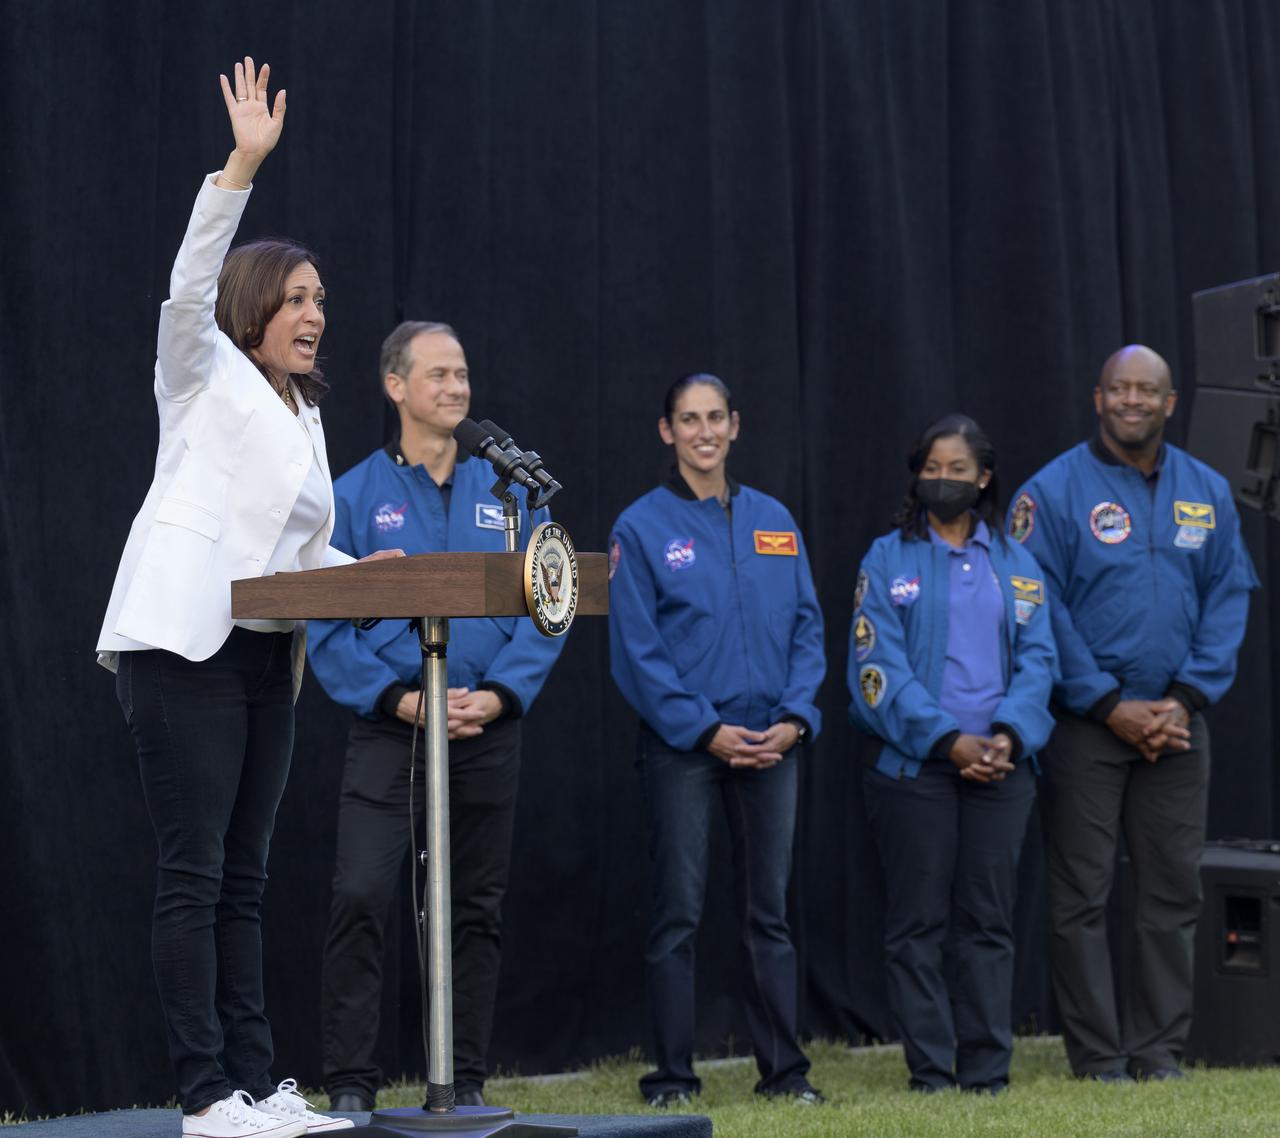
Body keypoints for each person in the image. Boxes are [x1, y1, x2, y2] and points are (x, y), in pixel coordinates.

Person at [96, 58, 382, 1137]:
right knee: (194, 870)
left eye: (321, 300)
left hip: (269, 653)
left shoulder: (305, 417)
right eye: (298, 298)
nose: (316, 314)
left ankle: (260, 1088)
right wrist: (241, 166)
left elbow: (316, 556)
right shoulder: (200, 370)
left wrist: (396, 584)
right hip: (185, 647)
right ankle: (205, 1094)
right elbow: (185, 285)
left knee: (247, 880)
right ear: (256, 307)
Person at [306, 321, 567, 1112]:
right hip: (394, 730)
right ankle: (352, 1088)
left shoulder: (513, 489)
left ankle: (465, 1083)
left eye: (462, 375)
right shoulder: (351, 495)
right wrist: (402, 697)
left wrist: (501, 693)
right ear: (396, 387)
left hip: (487, 728)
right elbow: (325, 620)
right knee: (360, 894)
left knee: (475, 909)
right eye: (439, 375)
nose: (456, 389)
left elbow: (551, 596)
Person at [1010, 344, 1258, 1081]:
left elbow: (1227, 597)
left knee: (1172, 892)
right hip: (1088, 726)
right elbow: (1037, 606)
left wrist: (1181, 700)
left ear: (1170, 402)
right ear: (1098, 398)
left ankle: (1157, 1051)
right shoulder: (1051, 492)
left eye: (1146, 391)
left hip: (1179, 728)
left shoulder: (1206, 490)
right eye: (1119, 389)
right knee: (1081, 894)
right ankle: (1097, 1057)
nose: (1132, 402)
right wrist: (1107, 701)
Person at [607, 374, 826, 1108]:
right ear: (666, 432)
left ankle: (785, 1075)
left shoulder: (776, 520)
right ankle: (672, 1077)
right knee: (678, 913)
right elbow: (636, 652)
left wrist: (795, 718)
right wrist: (705, 730)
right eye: (687, 419)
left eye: (715, 418)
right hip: (685, 749)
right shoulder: (639, 529)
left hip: (773, 743)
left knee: (770, 914)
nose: (704, 431)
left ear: (736, 425)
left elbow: (807, 628)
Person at [848, 414, 1057, 1094]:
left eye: (958, 471)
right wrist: (947, 738)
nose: (943, 481)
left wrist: (1007, 736)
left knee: (989, 924)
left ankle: (988, 1071)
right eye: (932, 469)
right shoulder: (888, 559)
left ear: (984, 478)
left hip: (1002, 767)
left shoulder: (1016, 563)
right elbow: (875, 665)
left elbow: (1040, 661)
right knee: (917, 926)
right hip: (916, 771)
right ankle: (932, 1071)